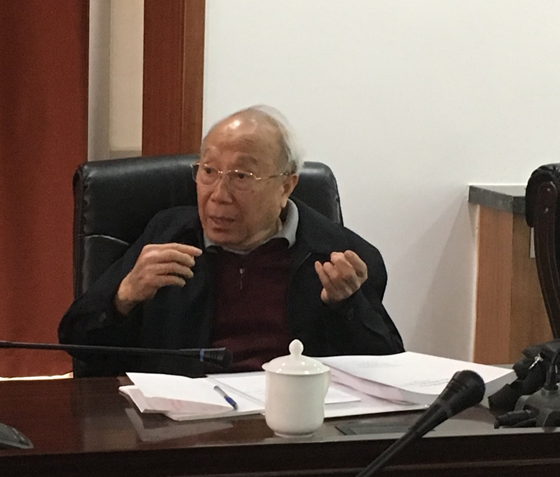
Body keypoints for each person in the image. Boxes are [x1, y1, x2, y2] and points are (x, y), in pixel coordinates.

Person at [58, 105, 404, 371]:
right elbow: (79, 343)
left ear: (286, 186)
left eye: (241, 176)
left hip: (296, 423)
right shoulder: (167, 236)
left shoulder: (338, 255)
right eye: (208, 171)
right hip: (185, 423)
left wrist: (347, 307)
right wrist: (125, 296)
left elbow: (388, 367)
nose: (218, 195)